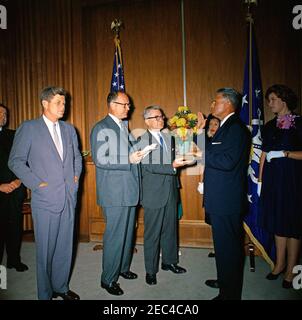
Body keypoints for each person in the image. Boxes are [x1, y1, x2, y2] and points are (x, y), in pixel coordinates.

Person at [8, 87, 82, 300]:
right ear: (45, 103)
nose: (63, 107)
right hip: (45, 199)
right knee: (46, 251)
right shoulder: (29, 128)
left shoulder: (69, 129)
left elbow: (77, 157)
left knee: (64, 247)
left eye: (65, 103)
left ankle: (61, 287)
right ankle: (45, 294)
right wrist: (37, 184)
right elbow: (15, 161)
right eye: (59, 102)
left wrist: (75, 178)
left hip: (68, 196)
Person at [90, 91, 143, 296]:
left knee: (127, 234)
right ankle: (108, 279)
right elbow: (101, 159)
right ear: (112, 105)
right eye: (125, 104)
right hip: (114, 193)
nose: (128, 108)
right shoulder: (101, 127)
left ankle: (122, 268)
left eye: (128, 104)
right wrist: (129, 159)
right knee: (115, 236)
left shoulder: (123, 127)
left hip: (129, 190)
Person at [200, 88, 250, 300]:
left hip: (226, 200)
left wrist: (200, 154)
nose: (212, 104)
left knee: (228, 249)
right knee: (222, 248)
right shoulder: (225, 127)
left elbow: (227, 162)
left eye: (216, 101)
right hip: (220, 198)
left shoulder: (236, 129)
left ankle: (229, 295)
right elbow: (212, 151)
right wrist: (199, 133)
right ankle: (225, 281)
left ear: (228, 104)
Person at [138, 105, 188, 286]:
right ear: (147, 121)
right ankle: (151, 271)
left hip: (170, 191)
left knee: (170, 230)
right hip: (153, 193)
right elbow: (147, 165)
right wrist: (172, 166)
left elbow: (172, 160)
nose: (162, 119)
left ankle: (169, 262)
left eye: (162, 116)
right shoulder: (142, 140)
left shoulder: (168, 137)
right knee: (152, 234)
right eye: (157, 117)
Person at [258, 84, 302, 289]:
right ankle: (279, 264)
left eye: (273, 99)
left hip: (294, 180)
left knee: (292, 224)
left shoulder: (299, 123)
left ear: (284, 100)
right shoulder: (269, 126)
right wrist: (259, 180)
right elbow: (264, 155)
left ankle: (292, 269)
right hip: (273, 181)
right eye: (269, 100)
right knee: (278, 221)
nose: (270, 103)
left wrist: (286, 154)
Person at [0, 104, 28, 272]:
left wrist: (18, 181)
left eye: (5, 113)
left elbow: (26, 160)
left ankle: (14, 260)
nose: (3, 116)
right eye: (0, 113)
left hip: (15, 188)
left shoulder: (15, 135)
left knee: (15, 226)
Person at [197, 114, 221, 259]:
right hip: (209, 182)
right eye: (210, 124)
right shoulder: (209, 141)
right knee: (212, 218)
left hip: (221, 186)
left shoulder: (223, 141)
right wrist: (202, 182)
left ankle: (221, 248)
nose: (212, 127)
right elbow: (200, 146)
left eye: (215, 125)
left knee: (220, 220)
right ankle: (215, 247)